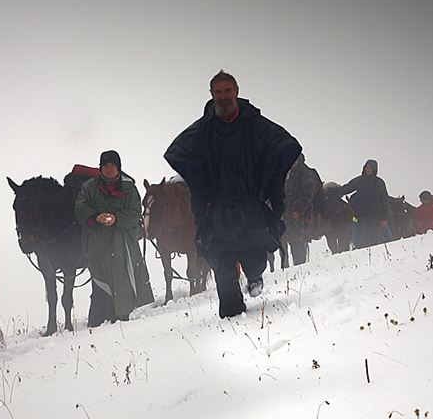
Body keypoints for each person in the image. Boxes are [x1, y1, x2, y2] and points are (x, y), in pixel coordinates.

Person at [164, 70, 302, 318]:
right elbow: (187, 164)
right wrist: (201, 214)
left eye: (228, 91)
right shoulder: (202, 132)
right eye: (218, 92)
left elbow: (279, 150)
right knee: (224, 271)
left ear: (236, 91)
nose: (223, 96)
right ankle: (232, 318)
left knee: (255, 260)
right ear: (212, 95)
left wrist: (274, 202)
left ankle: (255, 277)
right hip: (219, 213)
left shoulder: (255, 125)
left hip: (251, 209)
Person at [75, 150, 154, 327]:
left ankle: (120, 322)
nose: (109, 169)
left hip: (121, 246)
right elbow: (80, 210)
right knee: (100, 282)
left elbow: (134, 215)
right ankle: (95, 324)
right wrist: (96, 217)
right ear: (100, 167)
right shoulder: (89, 188)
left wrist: (116, 218)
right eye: (105, 165)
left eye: (112, 165)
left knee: (121, 281)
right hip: (97, 245)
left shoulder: (129, 189)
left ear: (118, 167)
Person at [327, 159, 389, 249]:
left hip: (375, 218)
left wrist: (384, 218)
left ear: (374, 169)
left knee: (373, 242)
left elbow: (384, 200)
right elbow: (346, 189)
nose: (368, 169)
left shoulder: (379, 183)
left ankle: (374, 261)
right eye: (367, 167)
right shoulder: (359, 181)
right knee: (361, 243)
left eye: (370, 168)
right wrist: (330, 191)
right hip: (360, 217)